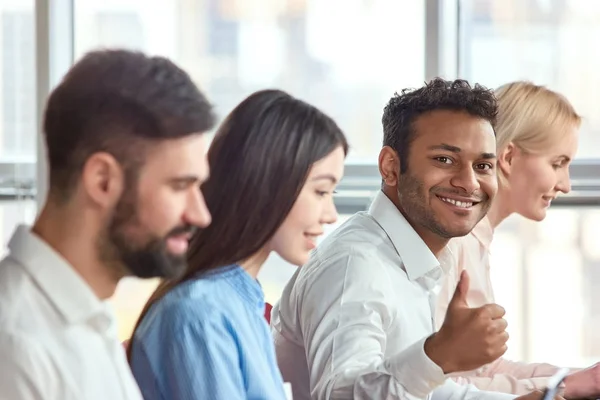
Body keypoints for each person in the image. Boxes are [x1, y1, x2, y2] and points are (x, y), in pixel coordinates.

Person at [271, 78, 556, 400]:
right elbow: (341, 394)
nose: (469, 182)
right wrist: (438, 356)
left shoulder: (415, 258)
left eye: (483, 165)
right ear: (391, 167)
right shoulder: (355, 266)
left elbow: (424, 390)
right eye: (444, 160)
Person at [0, 49, 215, 400]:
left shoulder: (88, 318)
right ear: (102, 181)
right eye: (179, 186)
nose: (200, 215)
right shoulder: (16, 348)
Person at [128, 89, 349, 400]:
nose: (330, 215)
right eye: (321, 191)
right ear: (270, 183)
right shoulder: (201, 315)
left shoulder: (241, 301)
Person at [435, 81, 600, 399]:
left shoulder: (476, 241)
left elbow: (486, 370)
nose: (565, 185)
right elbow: (444, 387)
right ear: (508, 158)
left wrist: (574, 377)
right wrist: (565, 387)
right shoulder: (452, 245)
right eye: (558, 164)